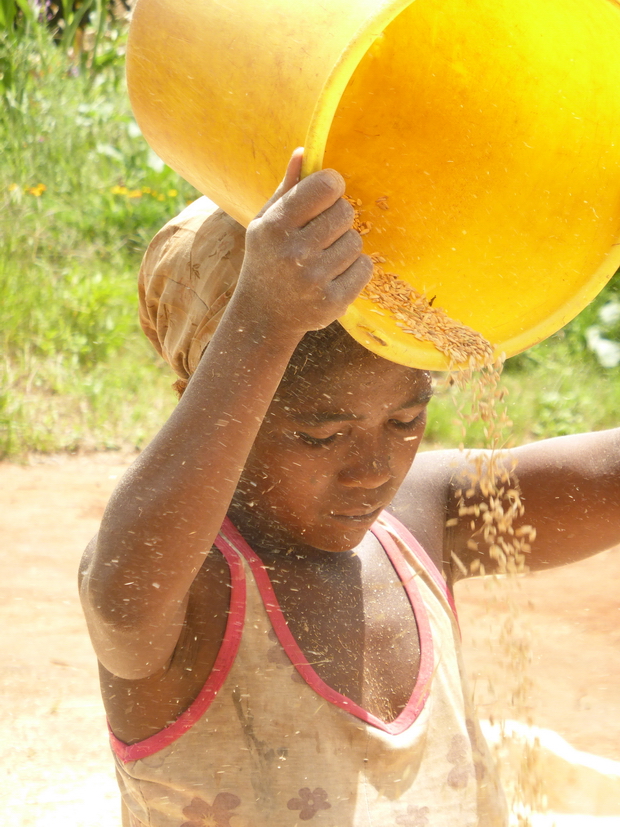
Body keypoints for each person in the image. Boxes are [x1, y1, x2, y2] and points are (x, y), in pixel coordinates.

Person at [79, 149, 620, 827]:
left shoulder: (422, 516)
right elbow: (119, 598)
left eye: (406, 417)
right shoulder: (195, 590)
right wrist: (265, 315)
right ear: (215, 402)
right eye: (321, 434)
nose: (372, 467)